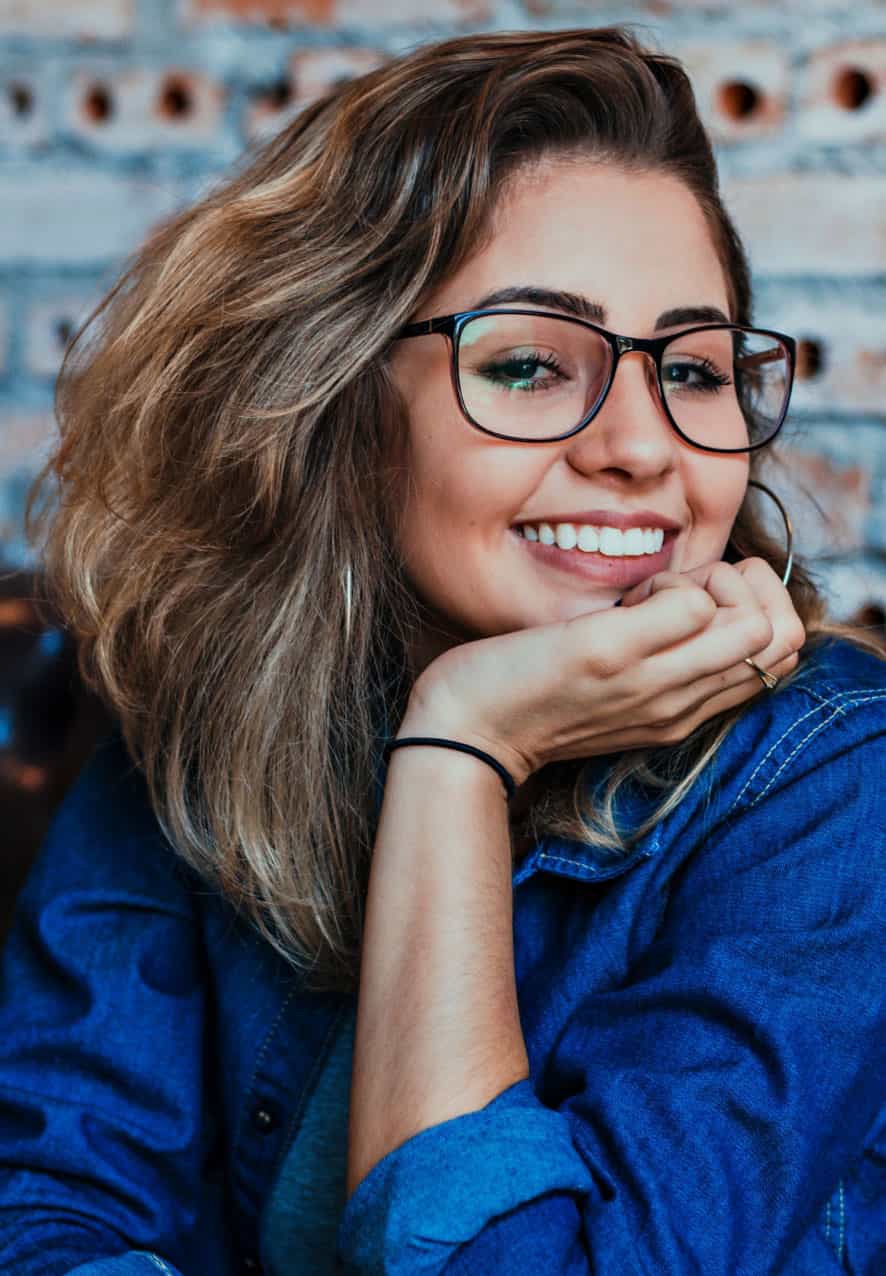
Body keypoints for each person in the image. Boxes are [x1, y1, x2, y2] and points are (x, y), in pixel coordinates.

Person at [1, 25, 883, 1276]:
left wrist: (460, 750)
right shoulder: (198, 720)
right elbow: (49, 1207)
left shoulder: (831, 785)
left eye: (691, 369)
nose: (642, 446)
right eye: (528, 362)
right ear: (337, 407)